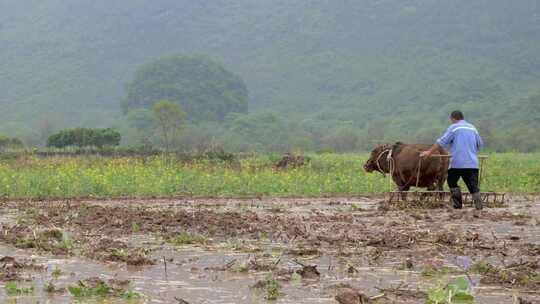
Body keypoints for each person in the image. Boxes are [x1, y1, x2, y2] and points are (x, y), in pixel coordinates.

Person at [420, 110, 484, 210]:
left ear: (453, 118)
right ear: (462, 117)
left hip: (458, 163)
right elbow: (480, 144)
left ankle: (458, 205)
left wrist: (429, 153)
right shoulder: (473, 128)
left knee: (452, 181)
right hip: (472, 163)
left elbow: (441, 142)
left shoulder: (454, 128)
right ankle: (479, 206)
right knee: (473, 186)